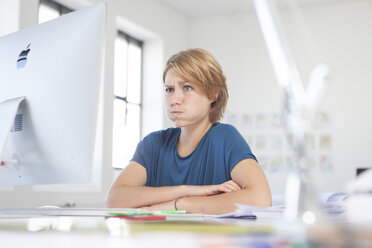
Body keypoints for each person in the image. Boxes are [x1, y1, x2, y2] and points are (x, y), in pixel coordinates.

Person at [106, 48, 271, 215]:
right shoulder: (153, 144)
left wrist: (180, 204)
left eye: (187, 87)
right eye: (169, 89)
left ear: (213, 93)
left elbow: (261, 199)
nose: (175, 100)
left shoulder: (225, 138)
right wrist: (186, 190)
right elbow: (114, 199)